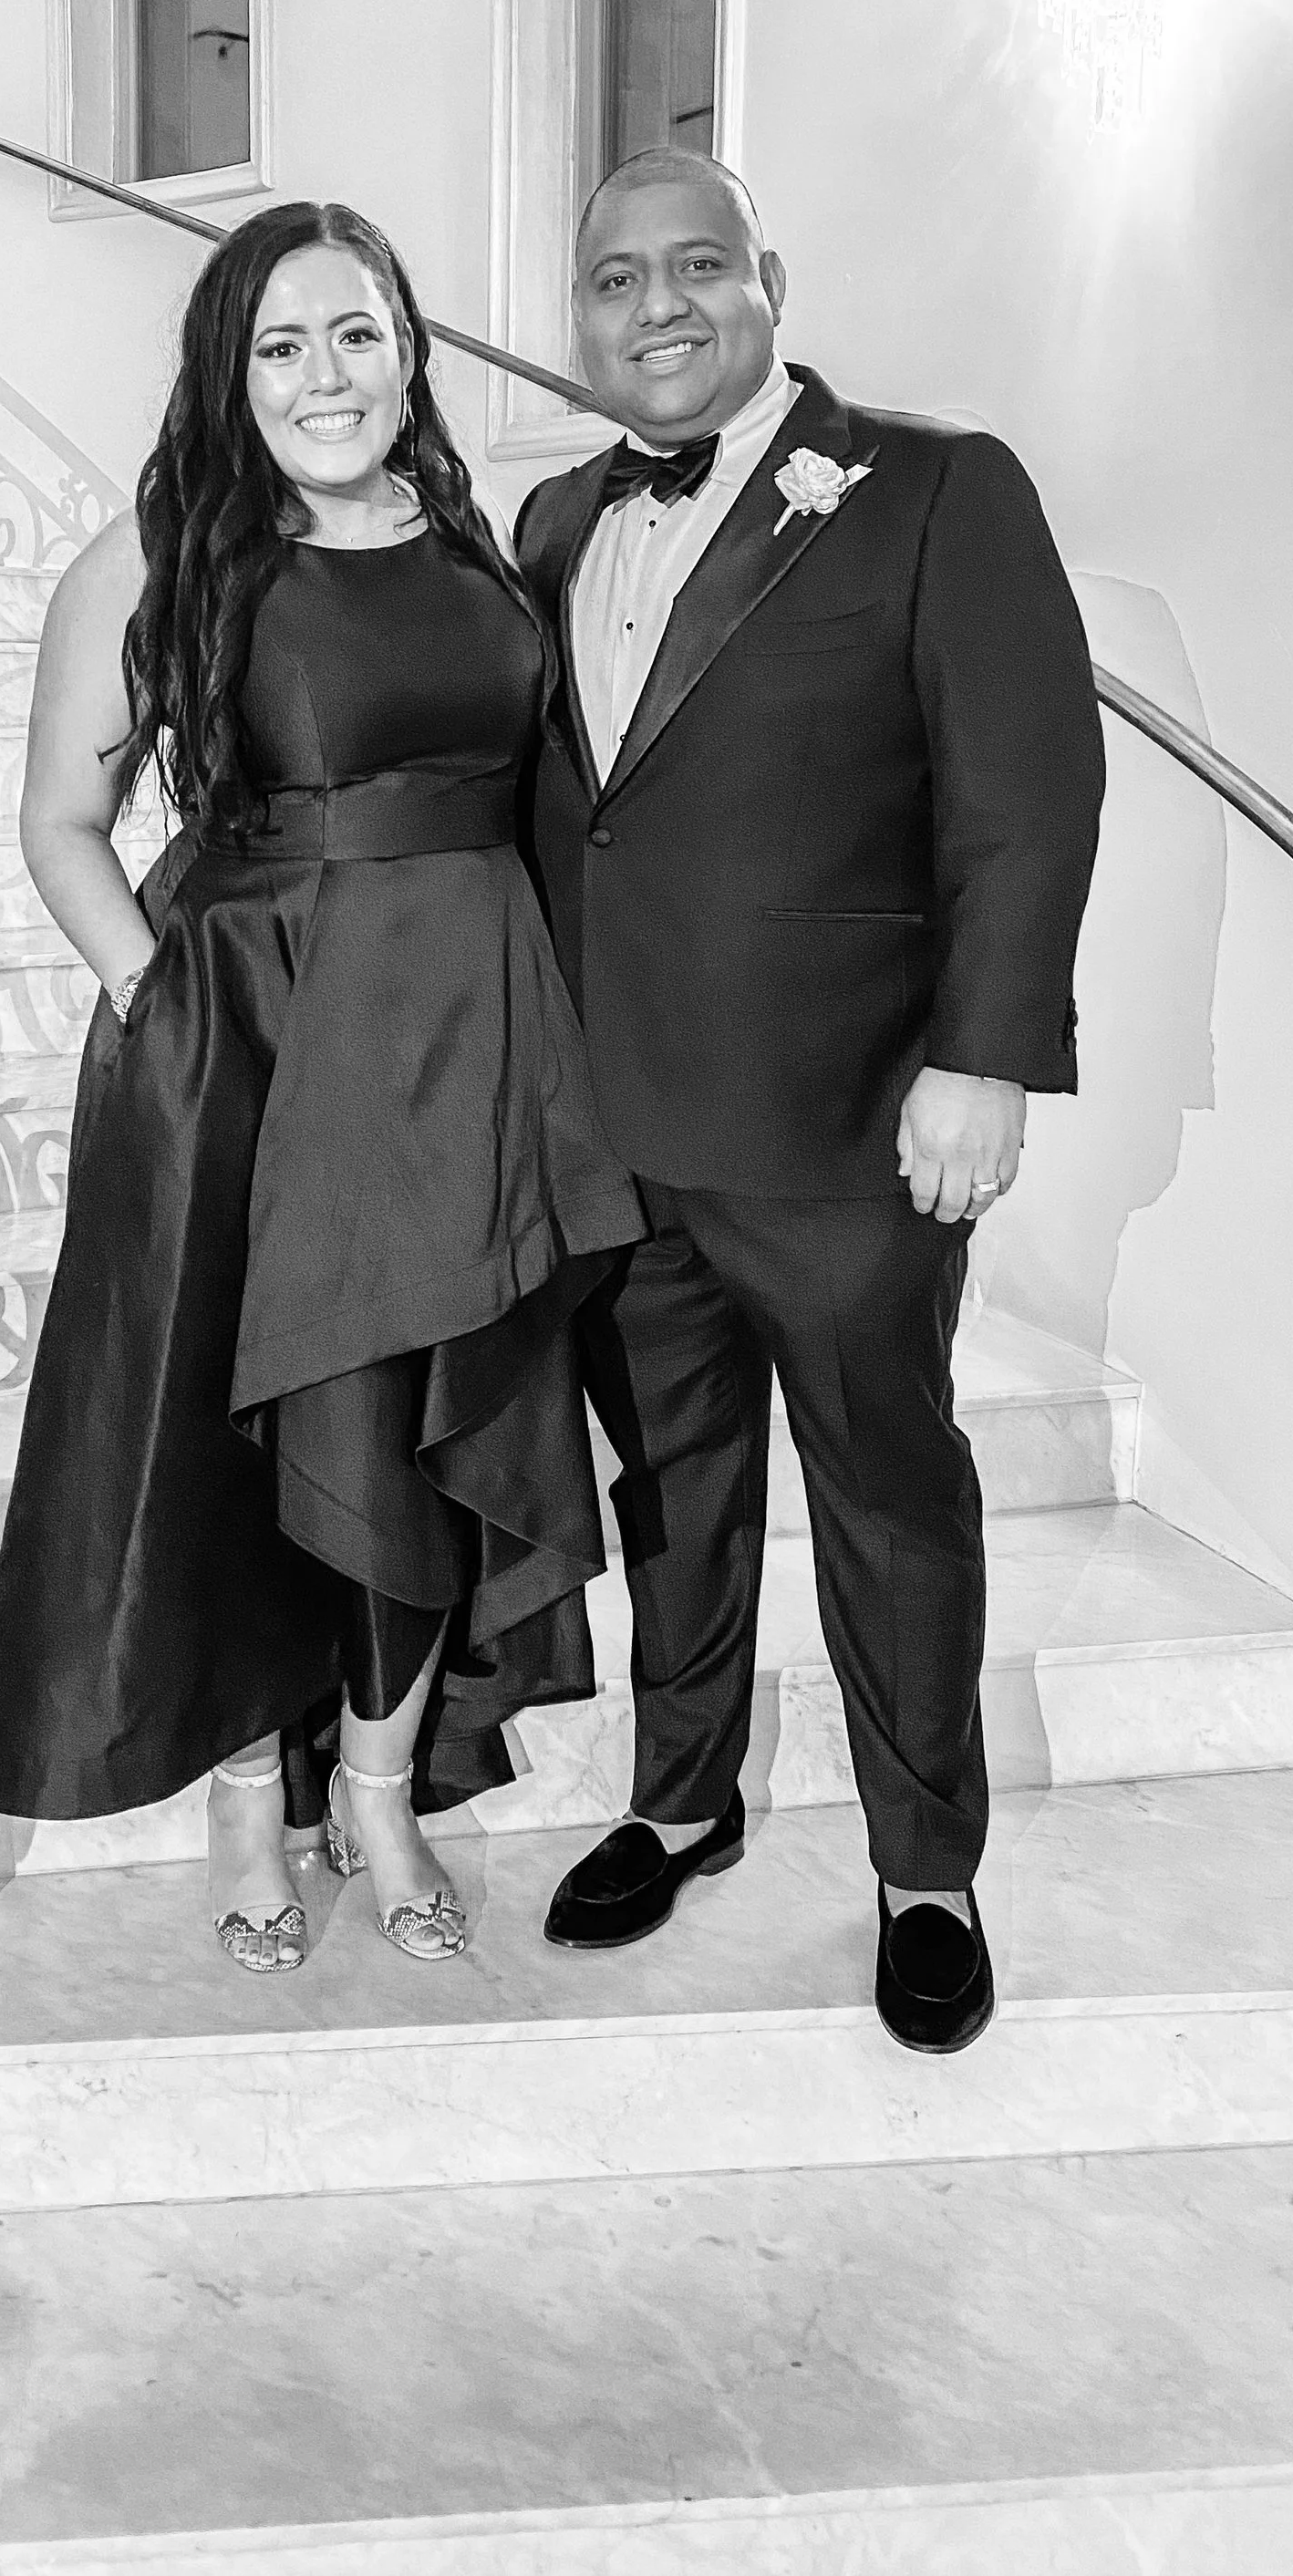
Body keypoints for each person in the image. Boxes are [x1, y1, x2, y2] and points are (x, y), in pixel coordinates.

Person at [0, 201, 641, 1975]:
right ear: (229, 370)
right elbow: (60, 820)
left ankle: (383, 1789)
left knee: (427, 1419)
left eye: (355, 333)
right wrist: (164, 1002)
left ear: (407, 350)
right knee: (252, 1433)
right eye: (280, 343)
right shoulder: (169, 550)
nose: (323, 375)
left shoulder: (474, 538)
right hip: (254, 1051)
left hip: (466, 1056)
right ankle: (251, 1802)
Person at [512, 150, 1104, 2054]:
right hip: (617, 1128)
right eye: (616, 278)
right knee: (671, 1492)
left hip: (850, 1124)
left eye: (698, 265)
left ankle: (923, 1869)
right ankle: (680, 1798)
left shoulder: (933, 486)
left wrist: (984, 1056)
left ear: (769, 278)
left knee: (886, 1500)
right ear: (579, 314)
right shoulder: (549, 518)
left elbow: (1026, 793)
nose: (657, 306)